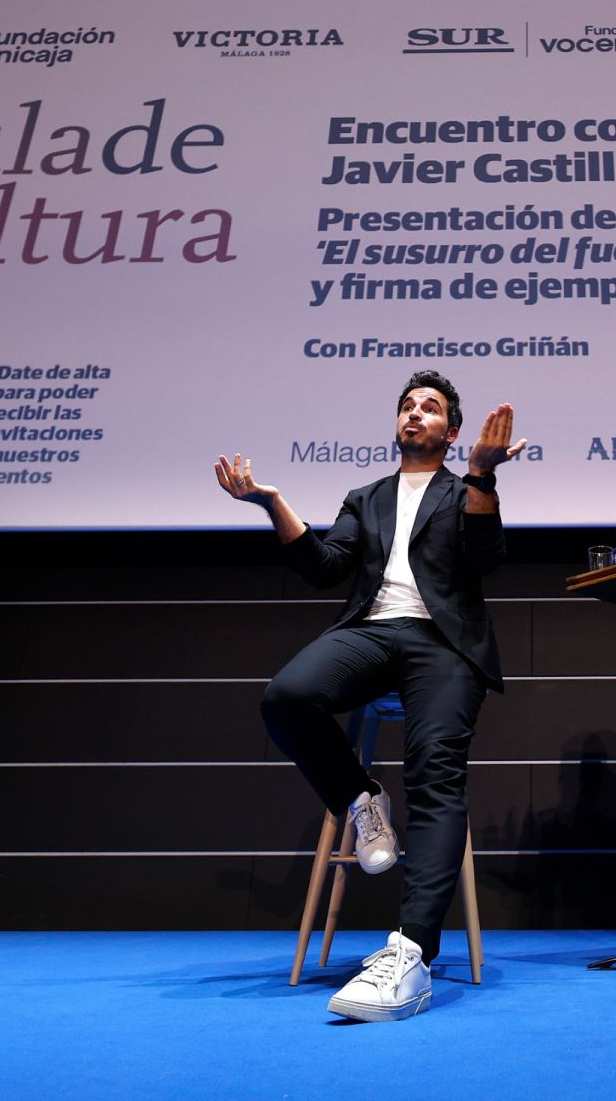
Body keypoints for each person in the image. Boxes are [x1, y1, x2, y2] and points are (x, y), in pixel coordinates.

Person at [214, 370, 524, 1021]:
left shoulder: (464, 489)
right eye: (407, 405)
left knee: (435, 771)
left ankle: (410, 953)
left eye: (430, 408)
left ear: (452, 432)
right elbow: (324, 567)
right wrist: (272, 502)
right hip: (373, 632)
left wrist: (483, 476)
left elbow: (483, 559)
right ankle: (361, 798)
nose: (415, 413)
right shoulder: (367, 497)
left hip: (444, 643)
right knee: (286, 697)